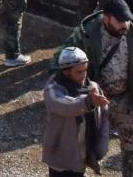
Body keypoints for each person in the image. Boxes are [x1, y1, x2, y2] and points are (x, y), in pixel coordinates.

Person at [55, 0, 133, 177]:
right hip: (93, 100)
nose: (125, 24)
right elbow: (61, 61)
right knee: (79, 145)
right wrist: (71, 93)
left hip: (124, 99)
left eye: (127, 20)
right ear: (106, 18)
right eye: (119, 20)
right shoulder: (86, 35)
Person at [42, 47, 110, 177]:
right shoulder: (53, 90)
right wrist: (88, 101)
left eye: (85, 70)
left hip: (81, 155)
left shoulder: (92, 87)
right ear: (66, 71)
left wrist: (100, 147)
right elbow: (67, 106)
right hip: (61, 157)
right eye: (79, 72)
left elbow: (103, 117)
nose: (83, 75)